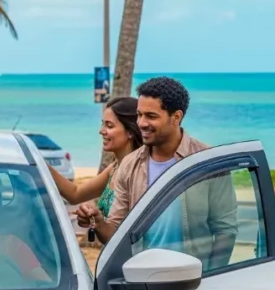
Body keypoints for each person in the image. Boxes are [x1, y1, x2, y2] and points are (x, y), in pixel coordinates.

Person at [77, 76, 239, 271]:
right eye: (139, 115)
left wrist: (211, 277)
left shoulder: (207, 161)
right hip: (142, 280)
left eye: (151, 116)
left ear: (176, 117)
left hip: (193, 281)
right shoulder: (129, 165)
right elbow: (116, 235)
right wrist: (99, 222)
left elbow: (225, 230)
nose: (141, 123)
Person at [49, 96, 142, 219]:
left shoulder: (138, 173)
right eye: (103, 124)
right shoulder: (114, 168)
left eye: (109, 126)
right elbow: (75, 194)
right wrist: (41, 164)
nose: (101, 131)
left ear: (130, 132)